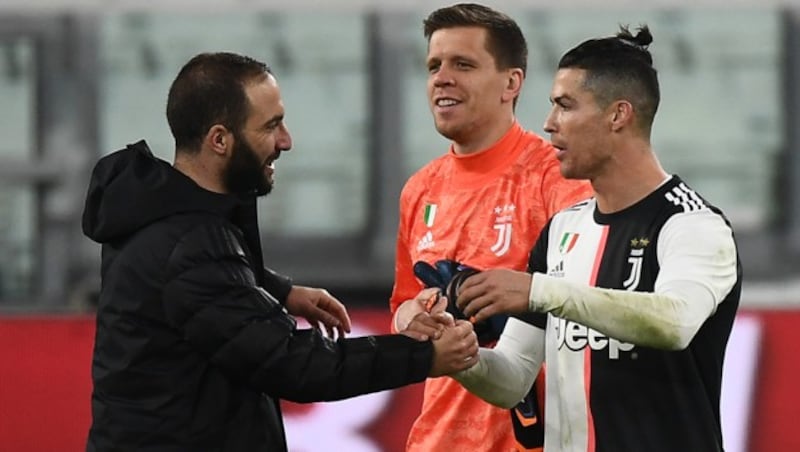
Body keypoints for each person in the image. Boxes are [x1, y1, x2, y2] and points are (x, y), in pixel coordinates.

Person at [81, 51, 480, 452]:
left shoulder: (158, 213)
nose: (286, 141)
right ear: (220, 140)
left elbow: (203, 288)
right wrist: (423, 355)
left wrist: (280, 292)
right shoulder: (193, 245)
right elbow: (292, 363)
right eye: (271, 126)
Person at [451, 25, 742, 452]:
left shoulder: (692, 224)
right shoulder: (563, 231)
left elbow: (675, 322)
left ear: (618, 115)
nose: (549, 125)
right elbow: (512, 378)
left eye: (565, 106)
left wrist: (539, 291)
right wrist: (457, 353)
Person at [389, 4, 592, 451]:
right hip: (437, 439)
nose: (442, 77)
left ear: (511, 83)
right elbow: (404, 304)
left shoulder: (556, 179)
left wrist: (501, 305)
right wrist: (412, 318)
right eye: (433, 66)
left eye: (463, 64)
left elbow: (591, 301)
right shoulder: (419, 190)